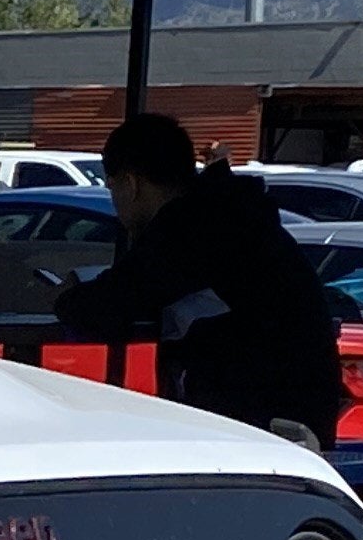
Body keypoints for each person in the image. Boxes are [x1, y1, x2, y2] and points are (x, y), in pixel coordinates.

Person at [52, 113, 341, 433]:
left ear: (131, 184)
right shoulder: (228, 215)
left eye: (113, 186)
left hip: (267, 421)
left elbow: (111, 303)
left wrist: (63, 297)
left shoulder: (191, 229)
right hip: (292, 411)